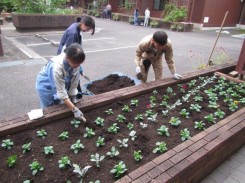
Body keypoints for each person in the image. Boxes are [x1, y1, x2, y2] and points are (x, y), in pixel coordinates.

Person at [36, 43, 87, 121]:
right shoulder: (57, 66)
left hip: (58, 82)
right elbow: (61, 92)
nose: (78, 66)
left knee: (58, 104)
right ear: (67, 57)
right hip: (46, 86)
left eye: (80, 63)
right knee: (49, 109)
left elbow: (74, 83)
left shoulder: (76, 63)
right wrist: (74, 109)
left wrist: (73, 97)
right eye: (75, 63)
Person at [57, 15, 95, 99]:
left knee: (74, 79)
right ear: (83, 24)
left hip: (72, 59)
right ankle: (72, 98)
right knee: (69, 79)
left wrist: (78, 66)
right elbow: (71, 54)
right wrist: (77, 65)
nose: (87, 31)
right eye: (88, 29)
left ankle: (75, 96)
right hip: (66, 59)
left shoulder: (77, 27)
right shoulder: (73, 33)